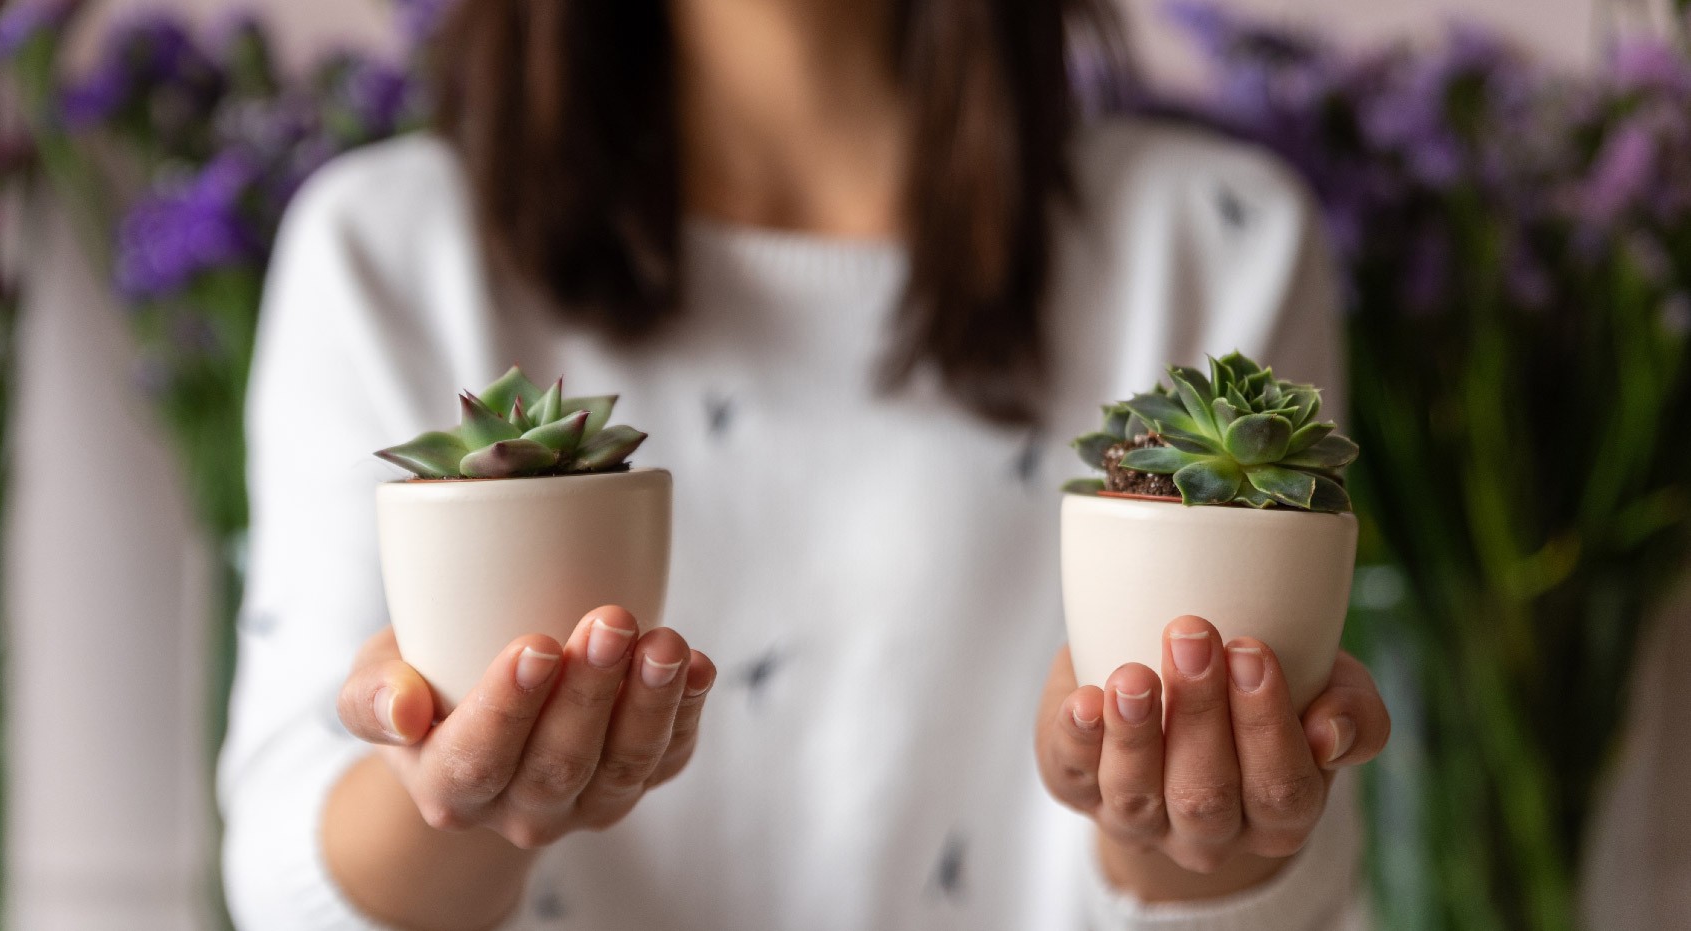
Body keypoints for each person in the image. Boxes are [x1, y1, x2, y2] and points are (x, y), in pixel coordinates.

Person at [216, 0, 1392, 928]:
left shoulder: (1211, 241)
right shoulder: (386, 252)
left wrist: (1174, 822)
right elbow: (287, 870)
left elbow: (1277, 871)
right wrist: (459, 792)